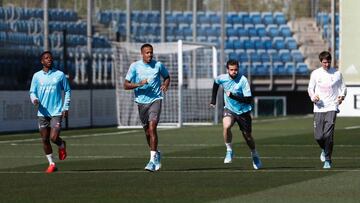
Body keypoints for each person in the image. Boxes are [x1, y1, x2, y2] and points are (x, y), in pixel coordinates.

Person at [124, 43, 170, 172]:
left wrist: (165, 85)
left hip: (156, 99)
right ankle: (156, 153)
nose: (150, 55)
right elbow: (126, 85)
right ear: (142, 54)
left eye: (151, 52)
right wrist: (139, 84)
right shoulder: (134, 66)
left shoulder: (158, 65)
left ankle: (151, 161)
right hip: (141, 102)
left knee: (152, 127)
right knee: (147, 132)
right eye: (147, 53)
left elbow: (166, 77)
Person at [210, 59, 262, 170]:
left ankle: (254, 154)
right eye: (232, 70)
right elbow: (216, 83)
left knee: (247, 136)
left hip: (243, 112)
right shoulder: (222, 78)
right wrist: (213, 100)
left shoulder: (243, 80)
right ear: (227, 70)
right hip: (229, 109)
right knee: (226, 126)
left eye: (236, 69)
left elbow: (248, 100)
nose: (234, 72)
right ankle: (229, 150)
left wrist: (232, 96)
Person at [29, 51, 71, 173]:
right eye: (46, 58)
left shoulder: (60, 75)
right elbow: (32, 92)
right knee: (45, 139)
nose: (49, 60)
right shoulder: (37, 76)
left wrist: (65, 107)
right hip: (42, 113)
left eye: (51, 58)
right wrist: (34, 99)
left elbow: (67, 90)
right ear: (42, 61)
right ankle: (51, 163)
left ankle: (61, 144)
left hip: (56, 112)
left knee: (53, 138)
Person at [308, 51, 346, 169]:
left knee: (328, 134)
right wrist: (313, 97)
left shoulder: (337, 74)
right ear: (321, 62)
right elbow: (310, 88)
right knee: (318, 136)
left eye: (328, 62)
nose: (327, 64)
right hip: (319, 107)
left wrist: (341, 96)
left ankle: (328, 160)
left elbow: (343, 87)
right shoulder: (315, 74)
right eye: (324, 62)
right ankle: (324, 150)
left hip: (332, 107)